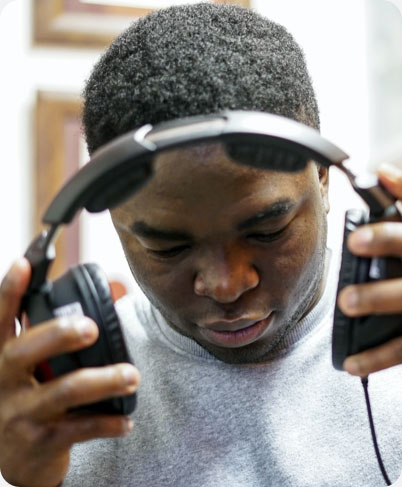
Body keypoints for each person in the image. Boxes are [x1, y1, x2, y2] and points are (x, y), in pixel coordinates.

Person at [1, 3, 402, 486]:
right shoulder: (56, 401)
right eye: (169, 248)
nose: (227, 285)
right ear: (114, 219)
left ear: (322, 178)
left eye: (267, 231)